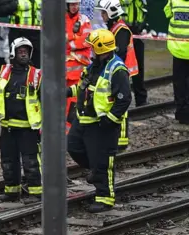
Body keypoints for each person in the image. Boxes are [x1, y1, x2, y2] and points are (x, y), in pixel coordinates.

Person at [66, 29, 132, 213]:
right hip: (85, 119)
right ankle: (94, 171)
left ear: (102, 48)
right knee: (73, 146)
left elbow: (124, 99)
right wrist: (66, 92)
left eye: (93, 47)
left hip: (102, 124)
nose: (90, 50)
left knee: (102, 161)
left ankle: (105, 198)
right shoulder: (94, 65)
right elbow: (83, 87)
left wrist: (110, 120)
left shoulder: (117, 69)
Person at [0, 37, 42, 202]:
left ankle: (36, 192)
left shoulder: (36, 75)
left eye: (26, 51)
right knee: (8, 161)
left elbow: (46, 100)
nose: (23, 54)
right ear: (13, 53)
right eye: (20, 51)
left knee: (30, 161)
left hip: (28, 128)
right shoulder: (4, 72)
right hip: (8, 127)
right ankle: (12, 191)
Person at [96, 0, 140, 150]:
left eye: (104, 13)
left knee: (122, 105)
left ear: (111, 13)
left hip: (120, 72)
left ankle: (121, 142)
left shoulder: (121, 30)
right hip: (116, 71)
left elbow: (119, 53)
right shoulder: (113, 28)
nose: (102, 15)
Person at [65, 0, 92, 135]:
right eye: (72, 4)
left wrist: (69, 41)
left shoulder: (84, 20)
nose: (74, 7)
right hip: (63, 73)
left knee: (74, 104)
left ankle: (71, 133)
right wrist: (74, 37)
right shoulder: (60, 20)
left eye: (76, 4)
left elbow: (86, 41)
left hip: (77, 73)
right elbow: (56, 41)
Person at [0, 0, 42, 68]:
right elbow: (0, 10)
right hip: (18, 33)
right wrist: (15, 4)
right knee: (18, 64)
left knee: (37, 64)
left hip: (37, 34)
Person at [164, 0, 189, 125]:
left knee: (179, 83)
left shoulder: (174, 1)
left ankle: (182, 113)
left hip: (178, 49)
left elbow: (167, 13)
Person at [120, 0, 148, 107]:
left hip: (138, 30)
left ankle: (141, 100)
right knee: (122, 64)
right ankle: (121, 97)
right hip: (123, 30)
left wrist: (144, 24)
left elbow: (144, 10)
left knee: (138, 66)